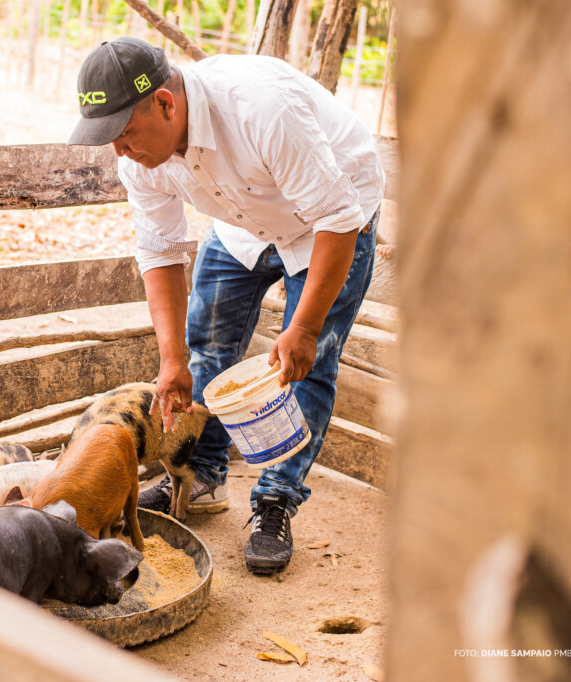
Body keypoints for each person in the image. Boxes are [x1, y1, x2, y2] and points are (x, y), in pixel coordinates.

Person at [68, 38, 384, 574]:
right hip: (242, 225)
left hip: (331, 222)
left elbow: (336, 216)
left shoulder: (262, 109)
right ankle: (205, 476)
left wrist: (304, 326)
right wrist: (171, 361)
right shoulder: (141, 160)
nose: (119, 152)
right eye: (109, 140)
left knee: (303, 366)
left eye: (124, 134)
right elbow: (161, 253)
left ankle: (275, 500)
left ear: (166, 103)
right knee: (206, 348)